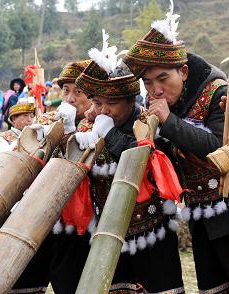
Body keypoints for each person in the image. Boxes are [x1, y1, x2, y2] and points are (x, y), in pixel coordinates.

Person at [124, 0, 229, 293]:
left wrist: (169, 123)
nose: (155, 89)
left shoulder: (220, 93)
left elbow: (220, 147)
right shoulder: (161, 103)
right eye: (148, 82)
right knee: (213, 290)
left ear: (184, 71)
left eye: (163, 78)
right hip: (200, 214)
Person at [74, 34, 185, 292]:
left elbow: (140, 159)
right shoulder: (91, 127)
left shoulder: (149, 123)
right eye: (98, 103)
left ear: (131, 100)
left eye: (111, 103)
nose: (103, 111)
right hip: (109, 239)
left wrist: (109, 134)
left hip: (152, 234)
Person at [11, 59, 94, 294]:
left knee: (68, 279)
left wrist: (69, 133)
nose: (69, 98)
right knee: (25, 278)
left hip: (79, 220)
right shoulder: (48, 120)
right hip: (42, 213)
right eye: (66, 90)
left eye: (78, 92)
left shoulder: (99, 123)